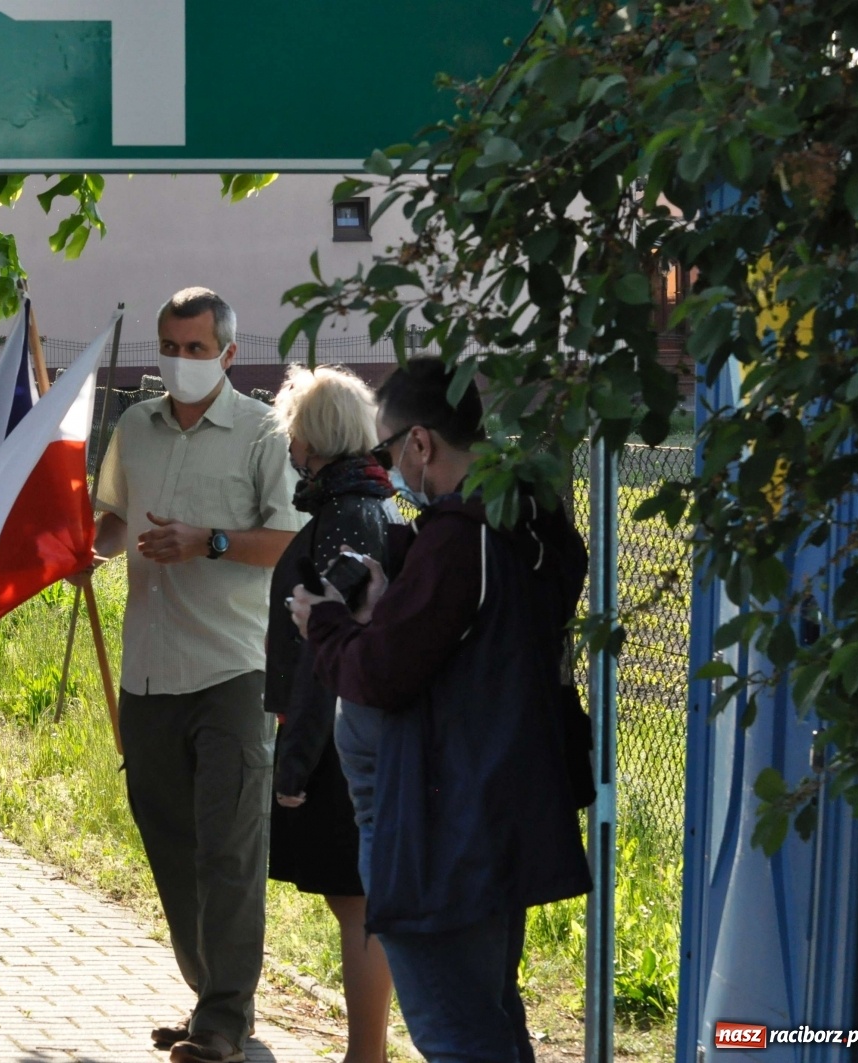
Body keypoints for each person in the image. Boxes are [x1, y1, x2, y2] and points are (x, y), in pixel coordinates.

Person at [288, 357, 591, 1063]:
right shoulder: (525, 520)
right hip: (493, 813)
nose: (389, 469)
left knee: (457, 1034)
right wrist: (389, 605)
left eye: (389, 450)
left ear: (421, 443)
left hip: (441, 830)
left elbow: (386, 673)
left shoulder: (461, 538)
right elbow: (467, 647)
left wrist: (328, 625)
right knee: (489, 1019)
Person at [89, 287, 304, 1063]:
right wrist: (83, 550)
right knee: (171, 841)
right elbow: (112, 521)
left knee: (230, 847)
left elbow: (289, 539)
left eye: (196, 348)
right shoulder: (133, 428)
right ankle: (209, 993)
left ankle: (222, 1020)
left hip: (234, 671)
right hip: (148, 673)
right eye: (170, 348)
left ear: (228, 354)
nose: (182, 362)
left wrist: (209, 540)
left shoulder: (261, 432)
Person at [265, 365, 395, 1063]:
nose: (289, 448)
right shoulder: (367, 500)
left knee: (357, 900)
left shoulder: (345, 515)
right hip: (349, 731)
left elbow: (326, 648)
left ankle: (364, 1054)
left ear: (313, 438)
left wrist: (295, 761)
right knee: (355, 898)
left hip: (338, 742)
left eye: (293, 433)